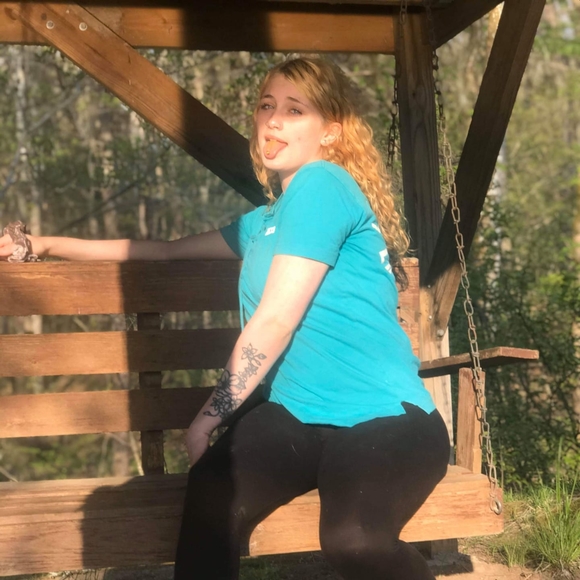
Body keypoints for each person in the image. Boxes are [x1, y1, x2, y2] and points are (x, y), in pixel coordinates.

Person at [0, 56, 449, 580]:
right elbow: (162, 252)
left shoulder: (324, 183)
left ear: (331, 132)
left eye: (295, 110)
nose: (273, 120)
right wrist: (41, 244)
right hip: (297, 416)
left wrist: (208, 418)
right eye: (266, 106)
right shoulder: (264, 222)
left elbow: (276, 319)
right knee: (211, 500)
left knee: (354, 539)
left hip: (385, 418)